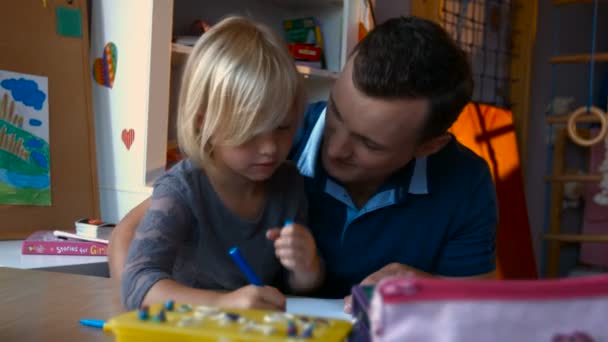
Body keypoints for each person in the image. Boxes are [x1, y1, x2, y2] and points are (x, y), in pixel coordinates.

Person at [111, 16, 497, 312]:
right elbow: (129, 236)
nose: (336, 149)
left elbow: (483, 304)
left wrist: (432, 288)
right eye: (336, 113)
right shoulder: (276, 134)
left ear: (428, 146)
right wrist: (156, 307)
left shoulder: (464, 181)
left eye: (368, 144)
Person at [120, 16, 323, 311]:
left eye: (283, 127)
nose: (270, 149)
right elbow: (137, 283)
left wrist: (308, 267)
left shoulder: (289, 182)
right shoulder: (182, 189)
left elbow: (297, 286)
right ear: (204, 122)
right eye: (251, 132)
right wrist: (224, 303)